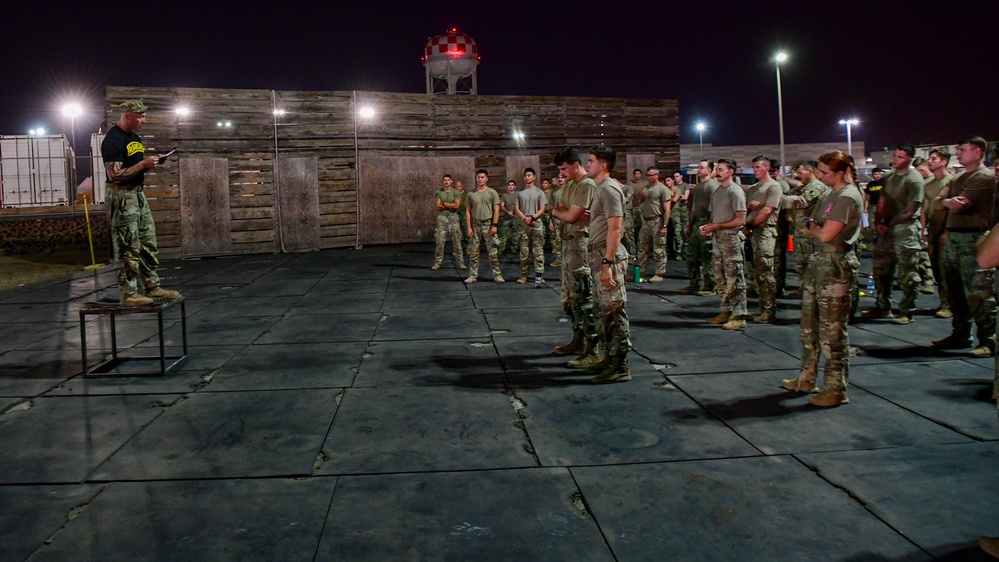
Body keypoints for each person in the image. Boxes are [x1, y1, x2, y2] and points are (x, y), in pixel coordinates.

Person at [781, 150, 864, 407]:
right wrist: (814, 228)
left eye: (824, 172)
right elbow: (814, 224)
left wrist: (813, 228)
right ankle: (807, 378)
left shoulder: (848, 196)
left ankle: (835, 388)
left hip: (835, 266)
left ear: (840, 173)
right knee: (809, 326)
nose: (819, 175)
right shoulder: (829, 194)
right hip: (819, 264)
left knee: (832, 331)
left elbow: (825, 233)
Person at [101, 100, 180, 306]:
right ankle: (128, 293)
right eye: (141, 116)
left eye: (144, 116)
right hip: (121, 196)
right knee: (128, 244)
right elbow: (115, 175)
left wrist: (149, 163)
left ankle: (152, 286)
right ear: (128, 114)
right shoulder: (113, 139)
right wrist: (143, 164)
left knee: (147, 242)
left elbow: (133, 166)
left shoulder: (134, 137)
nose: (144, 120)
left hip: (137, 194)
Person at [933, 136, 997, 357]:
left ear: (977, 152)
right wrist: (947, 202)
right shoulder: (958, 177)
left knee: (978, 293)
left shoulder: (984, 177)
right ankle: (960, 334)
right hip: (954, 239)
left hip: (974, 239)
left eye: (962, 150)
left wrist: (947, 203)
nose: (958, 153)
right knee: (955, 291)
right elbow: (937, 202)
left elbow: (962, 205)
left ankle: (989, 341)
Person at [583, 144, 632, 383]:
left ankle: (620, 365)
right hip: (599, 254)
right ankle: (610, 357)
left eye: (590, 161)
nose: (586, 165)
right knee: (602, 311)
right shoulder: (600, 188)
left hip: (607, 255)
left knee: (613, 311)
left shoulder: (610, 189)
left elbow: (616, 228)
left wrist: (607, 264)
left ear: (603, 165)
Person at [865, 144, 924, 323]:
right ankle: (883, 307)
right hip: (887, 227)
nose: (895, 159)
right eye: (895, 155)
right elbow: (882, 199)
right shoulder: (889, 176)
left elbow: (911, 208)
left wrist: (889, 223)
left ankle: (906, 311)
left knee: (908, 271)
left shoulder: (914, 179)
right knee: (882, 270)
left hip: (905, 228)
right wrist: (878, 222)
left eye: (900, 157)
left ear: (909, 159)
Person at [551, 147, 598, 368]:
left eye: (564, 168)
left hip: (581, 247)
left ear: (575, 164)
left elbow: (568, 214)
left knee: (583, 299)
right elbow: (566, 209)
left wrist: (559, 213)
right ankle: (578, 341)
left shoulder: (587, 185)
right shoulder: (569, 184)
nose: (561, 173)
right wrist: (568, 213)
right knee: (568, 300)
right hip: (569, 246)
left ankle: (592, 349)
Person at [700, 158, 748, 330]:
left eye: (721, 169)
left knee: (734, 277)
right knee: (720, 278)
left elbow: (741, 219)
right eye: (717, 169)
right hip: (718, 239)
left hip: (731, 240)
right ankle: (726, 310)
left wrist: (718, 226)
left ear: (730, 172)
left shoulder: (735, 192)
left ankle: (739, 315)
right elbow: (714, 216)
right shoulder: (718, 191)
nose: (717, 172)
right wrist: (709, 227)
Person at [782, 161, 830, 298]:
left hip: (810, 233)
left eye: (801, 173)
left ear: (810, 172)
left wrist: (777, 199)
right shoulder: (805, 186)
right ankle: (805, 289)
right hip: (801, 231)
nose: (798, 175)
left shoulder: (816, 186)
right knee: (802, 262)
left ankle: (812, 292)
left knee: (809, 263)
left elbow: (802, 201)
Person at [744, 155, 783, 322]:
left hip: (765, 232)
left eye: (758, 167)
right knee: (757, 272)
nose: (755, 170)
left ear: (767, 168)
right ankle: (762, 307)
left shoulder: (773, 187)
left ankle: (769, 310)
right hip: (754, 233)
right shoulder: (753, 188)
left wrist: (750, 225)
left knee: (766, 271)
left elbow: (767, 211)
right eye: (753, 167)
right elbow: (744, 209)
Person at [921, 148, 954, 318]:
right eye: (929, 158)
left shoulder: (952, 182)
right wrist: (923, 228)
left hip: (947, 227)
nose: (929, 161)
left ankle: (949, 304)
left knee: (945, 268)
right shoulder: (929, 183)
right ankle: (943, 302)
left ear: (944, 162)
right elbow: (925, 208)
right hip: (934, 228)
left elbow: (954, 211)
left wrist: (946, 232)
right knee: (936, 268)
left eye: (934, 159)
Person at [682, 160, 719, 296]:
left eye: (701, 167)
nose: (699, 169)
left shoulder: (712, 186)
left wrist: (709, 226)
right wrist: (690, 226)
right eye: (698, 167)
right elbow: (694, 208)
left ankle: (710, 286)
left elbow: (714, 209)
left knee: (707, 257)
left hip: (706, 223)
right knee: (691, 256)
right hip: (696, 223)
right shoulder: (698, 187)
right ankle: (694, 283)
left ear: (709, 170)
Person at [464, 170, 505, 284]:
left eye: (482, 177)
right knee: (474, 252)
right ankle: (472, 275)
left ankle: (497, 275)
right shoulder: (471, 194)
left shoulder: (492, 192)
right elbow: (467, 211)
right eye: (478, 177)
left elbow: (497, 210)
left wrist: (494, 225)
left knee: (492, 252)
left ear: (486, 179)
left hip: (488, 224)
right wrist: (469, 227)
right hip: (476, 224)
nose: (480, 179)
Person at [633, 166, 671, 283]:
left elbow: (667, 209)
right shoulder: (647, 188)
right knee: (642, 248)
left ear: (657, 175)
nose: (648, 177)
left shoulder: (663, 189)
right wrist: (641, 193)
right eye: (647, 175)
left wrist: (664, 226)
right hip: (646, 221)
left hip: (657, 220)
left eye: (651, 175)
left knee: (659, 248)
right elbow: (635, 203)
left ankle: (659, 273)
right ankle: (642, 273)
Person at [515, 168, 548, 283]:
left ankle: (539, 278)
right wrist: (525, 218)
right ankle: (524, 276)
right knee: (524, 252)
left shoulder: (539, 192)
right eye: (525, 175)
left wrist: (533, 218)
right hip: (524, 223)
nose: (527, 177)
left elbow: (542, 208)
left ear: (534, 177)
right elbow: (516, 208)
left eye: (529, 175)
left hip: (536, 222)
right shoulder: (520, 193)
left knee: (538, 251)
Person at [912, 157, 938, 295]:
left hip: (933, 221)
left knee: (928, 253)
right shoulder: (920, 183)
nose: (919, 173)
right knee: (922, 253)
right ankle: (927, 279)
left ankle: (929, 280)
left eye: (921, 170)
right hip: (921, 220)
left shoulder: (934, 182)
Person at [431, 174, 466, 270]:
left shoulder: (456, 192)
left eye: (448, 180)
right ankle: (438, 262)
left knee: (457, 241)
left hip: (453, 217)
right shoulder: (439, 192)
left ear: (451, 181)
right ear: (442, 182)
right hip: (442, 217)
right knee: (440, 242)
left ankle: (460, 262)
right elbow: (438, 207)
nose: (446, 182)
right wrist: (450, 204)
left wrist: (444, 203)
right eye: (445, 180)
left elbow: (456, 206)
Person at [623, 168, 648, 262]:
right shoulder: (630, 184)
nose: (637, 175)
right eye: (636, 174)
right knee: (631, 230)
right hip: (632, 208)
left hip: (643, 207)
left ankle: (641, 252)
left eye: (639, 173)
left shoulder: (646, 183)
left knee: (642, 230)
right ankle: (633, 253)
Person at [669, 170, 690, 260]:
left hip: (684, 210)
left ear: (681, 176)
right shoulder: (673, 187)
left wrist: (678, 195)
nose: (676, 178)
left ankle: (684, 251)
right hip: (675, 211)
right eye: (675, 177)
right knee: (676, 232)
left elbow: (685, 197)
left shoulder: (685, 185)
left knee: (684, 231)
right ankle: (677, 252)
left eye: (677, 176)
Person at [498, 180, 520, 254]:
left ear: (515, 186)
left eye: (512, 185)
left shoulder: (518, 195)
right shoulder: (504, 195)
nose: (511, 186)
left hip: (515, 217)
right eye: (509, 185)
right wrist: (508, 212)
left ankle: (514, 248)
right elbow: (502, 205)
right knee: (503, 234)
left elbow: (520, 205)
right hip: (506, 217)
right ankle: (501, 249)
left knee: (515, 234)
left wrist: (514, 212)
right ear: (507, 187)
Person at [550, 175, 566, 267]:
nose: (560, 179)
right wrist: (551, 220)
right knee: (558, 239)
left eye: (562, 177)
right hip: (557, 219)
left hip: (567, 218)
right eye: (559, 177)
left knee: (568, 239)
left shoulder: (569, 190)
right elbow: (551, 207)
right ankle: (559, 259)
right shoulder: (554, 192)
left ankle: (568, 259)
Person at [455, 180, 469, 254]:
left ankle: (467, 248)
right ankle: (457, 249)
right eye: (457, 186)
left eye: (459, 186)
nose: (458, 188)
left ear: (462, 186)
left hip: (464, 213)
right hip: (456, 213)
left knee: (465, 231)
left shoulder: (466, 194)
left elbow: (467, 205)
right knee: (456, 232)